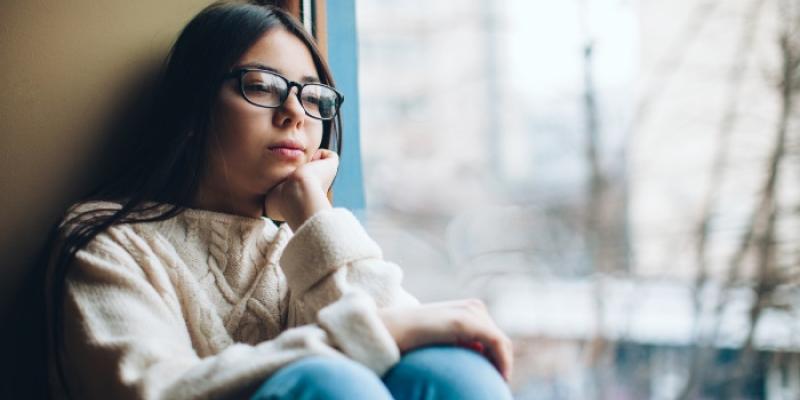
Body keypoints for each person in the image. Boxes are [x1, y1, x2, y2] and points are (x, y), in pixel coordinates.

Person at [44, 2, 514, 399]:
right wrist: (375, 334)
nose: (294, 112)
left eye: (313, 97)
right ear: (193, 108)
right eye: (262, 86)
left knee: (450, 370)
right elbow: (156, 389)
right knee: (328, 382)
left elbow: (399, 330)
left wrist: (312, 212)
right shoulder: (106, 240)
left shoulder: (297, 240)